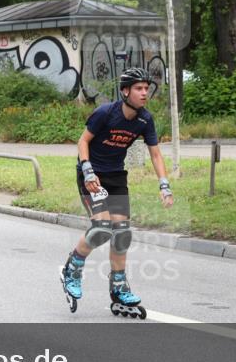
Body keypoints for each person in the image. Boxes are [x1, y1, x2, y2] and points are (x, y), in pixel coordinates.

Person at [60, 67, 175, 319]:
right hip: (93, 176)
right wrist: (88, 171)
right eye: (138, 88)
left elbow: (155, 153)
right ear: (125, 91)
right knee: (101, 228)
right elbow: (83, 141)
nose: (144, 93)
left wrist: (164, 184)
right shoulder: (105, 113)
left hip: (116, 176)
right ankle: (72, 269)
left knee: (122, 233)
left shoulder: (145, 119)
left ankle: (119, 287)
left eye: (146, 88)